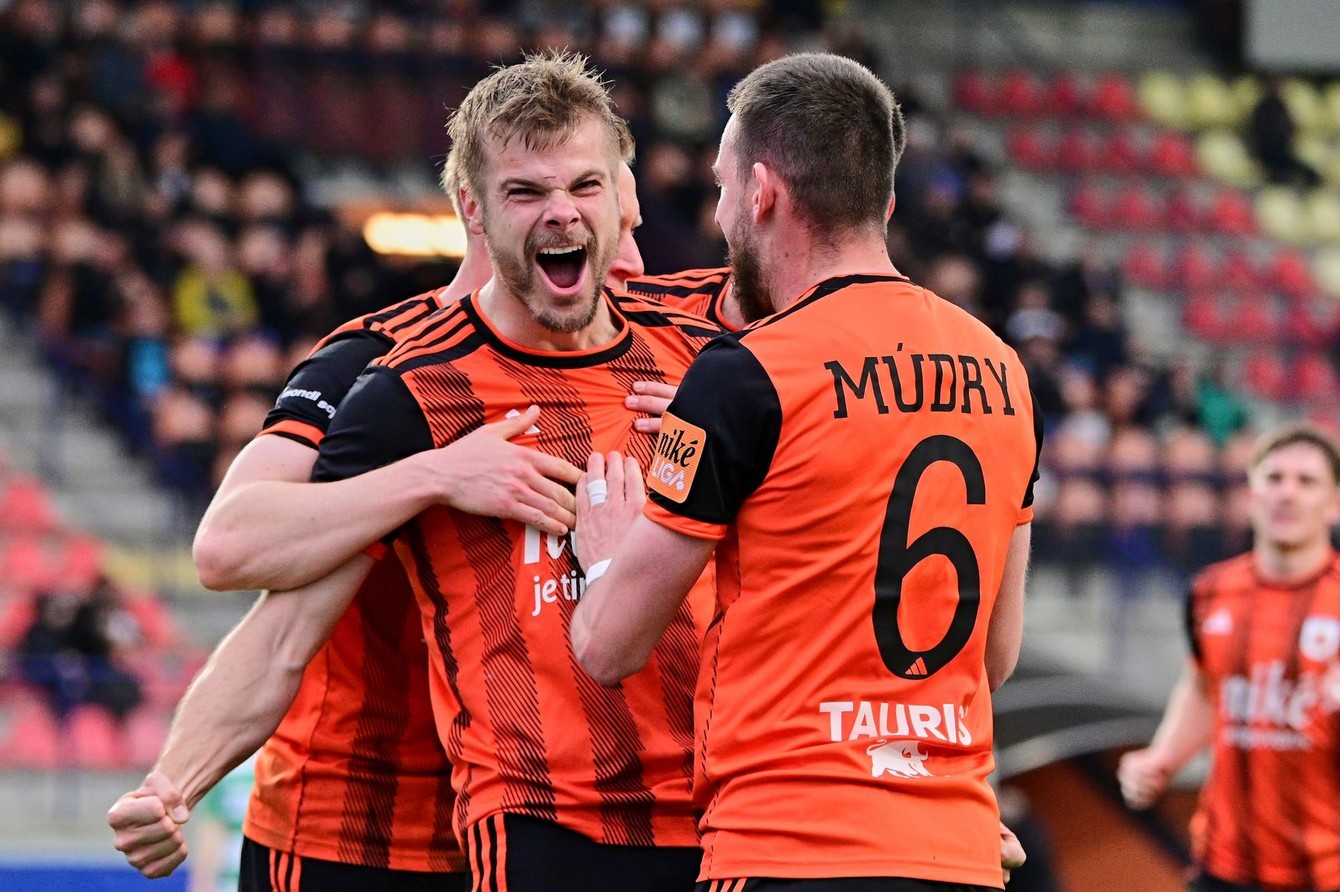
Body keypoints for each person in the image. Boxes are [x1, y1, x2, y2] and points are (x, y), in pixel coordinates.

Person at [110, 51, 718, 892]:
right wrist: (433, 475)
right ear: (475, 209)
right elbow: (243, 572)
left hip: (622, 820)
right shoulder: (385, 374)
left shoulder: (696, 355)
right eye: (528, 193)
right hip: (358, 825)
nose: (634, 259)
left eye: (593, 192)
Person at [571, 52, 1041, 891]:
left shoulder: (743, 373)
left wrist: (604, 557)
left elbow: (610, 647)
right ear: (884, 202)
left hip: (789, 844)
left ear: (761, 192)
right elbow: (994, 657)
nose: (720, 215)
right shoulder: (1004, 370)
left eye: (722, 188)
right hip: (957, 851)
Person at [1118, 425, 1340, 892]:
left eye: (1306, 481)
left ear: (1334, 503)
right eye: (1274, 478)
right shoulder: (1211, 591)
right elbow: (1204, 685)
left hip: (1325, 872)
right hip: (1222, 866)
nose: (1287, 493)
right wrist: (1163, 758)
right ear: (1251, 495)